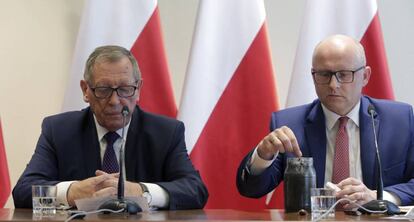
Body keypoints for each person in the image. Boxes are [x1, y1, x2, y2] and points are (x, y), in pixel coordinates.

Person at [13, 45, 208, 210]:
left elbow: (195, 191)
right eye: (103, 89)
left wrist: (142, 191)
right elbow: (23, 192)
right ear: (85, 90)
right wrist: (71, 192)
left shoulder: (166, 132)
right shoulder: (59, 130)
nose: (115, 101)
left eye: (125, 89)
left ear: (138, 89)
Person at [236, 35, 414, 209]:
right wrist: (262, 154)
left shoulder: (399, 120)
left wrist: (378, 196)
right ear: (314, 76)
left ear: (365, 76)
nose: (333, 85)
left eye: (344, 75)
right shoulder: (289, 124)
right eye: (324, 74)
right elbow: (252, 189)